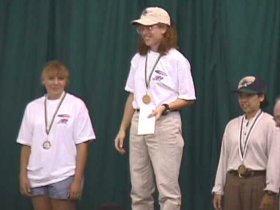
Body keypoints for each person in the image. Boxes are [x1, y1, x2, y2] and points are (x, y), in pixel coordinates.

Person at [114, 7, 196, 210]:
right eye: (141, 28)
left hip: (164, 122)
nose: (145, 33)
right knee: (139, 190)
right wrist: (123, 128)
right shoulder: (138, 59)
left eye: (150, 27)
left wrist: (165, 107)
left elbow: (189, 97)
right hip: (139, 122)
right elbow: (133, 95)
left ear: (164, 29)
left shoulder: (177, 60)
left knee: (167, 190)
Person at [17, 60, 96, 210]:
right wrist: (23, 175)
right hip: (37, 176)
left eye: (60, 79)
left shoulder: (76, 105)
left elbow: (83, 145)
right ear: (43, 81)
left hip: (64, 175)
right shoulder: (32, 107)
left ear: (66, 82)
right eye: (51, 78)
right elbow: (26, 144)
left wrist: (78, 180)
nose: (55, 83)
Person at [212, 76, 280, 210]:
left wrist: (271, 191)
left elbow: (275, 159)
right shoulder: (231, 125)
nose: (243, 100)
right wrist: (218, 189)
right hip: (233, 182)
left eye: (249, 96)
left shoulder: (271, 123)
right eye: (241, 96)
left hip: (258, 182)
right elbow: (224, 159)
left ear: (261, 97)